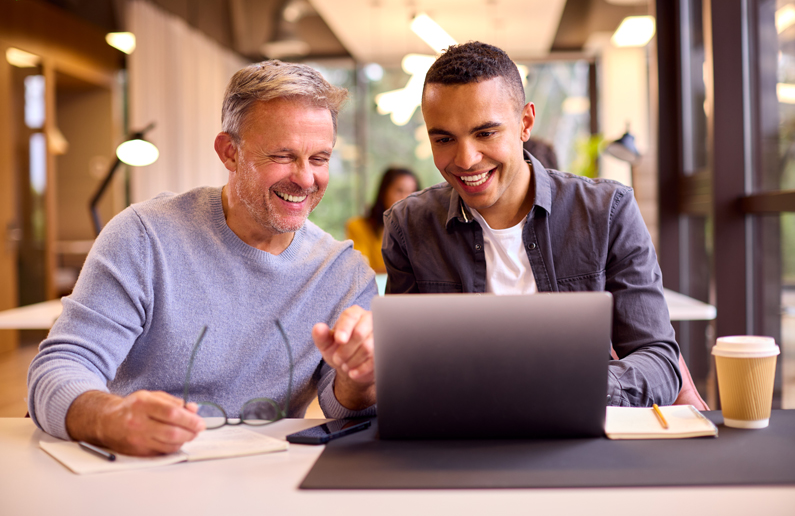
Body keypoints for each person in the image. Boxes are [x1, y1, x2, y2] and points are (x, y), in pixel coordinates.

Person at [27, 60, 377, 456]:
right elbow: (57, 369)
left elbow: (345, 408)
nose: (305, 178)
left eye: (319, 159)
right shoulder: (144, 236)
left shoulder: (342, 272)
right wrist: (111, 418)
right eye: (283, 155)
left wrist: (360, 377)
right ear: (230, 152)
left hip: (266, 479)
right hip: (140, 470)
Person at [381, 42, 682, 407]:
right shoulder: (408, 225)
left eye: (486, 133)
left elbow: (659, 361)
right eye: (444, 139)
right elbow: (401, 364)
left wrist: (571, 386)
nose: (466, 159)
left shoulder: (607, 212)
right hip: (461, 436)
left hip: (579, 430)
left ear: (525, 123)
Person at [346, 167, 420, 273]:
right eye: (399, 191)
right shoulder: (358, 226)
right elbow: (360, 270)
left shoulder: (421, 229)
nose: (406, 198)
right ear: (383, 192)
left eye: (412, 192)